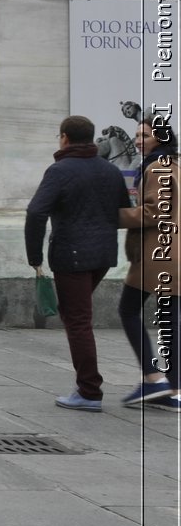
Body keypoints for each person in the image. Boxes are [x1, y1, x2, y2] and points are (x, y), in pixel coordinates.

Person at [24, 115, 130, 411]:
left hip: (71, 255)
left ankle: (89, 390)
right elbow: (123, 210)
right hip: (103, 255)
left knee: (78, 320)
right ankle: (87, 386)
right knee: (77, 316)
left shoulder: (59, 171)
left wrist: (35, 258)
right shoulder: (110, 170)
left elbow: (35, 213)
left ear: (64, 138)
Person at [117, 114, 181, 410]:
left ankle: (154, 378)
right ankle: (173, 389)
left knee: (128, 310)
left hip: (157, 255)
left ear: (160, 138)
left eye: (145, 135)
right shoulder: (174, 165)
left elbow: (154, 212)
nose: (139, 141)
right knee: (170, 321)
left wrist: (115, 216)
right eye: (137, 135)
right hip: (172, 255)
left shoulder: (157, 167)